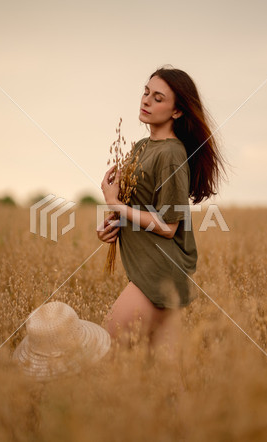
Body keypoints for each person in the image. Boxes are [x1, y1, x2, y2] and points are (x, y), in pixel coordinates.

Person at [97, 66, 226, 361]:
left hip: (159, 273)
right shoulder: (142, 147)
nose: (146, 101)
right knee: (162, 379)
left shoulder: (171, 154)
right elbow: (135, 207)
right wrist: (110, 226)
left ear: (177, 112)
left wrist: (115, 204)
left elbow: (168, 226)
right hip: (151, 269)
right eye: (146, 92)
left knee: (108, 353)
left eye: (158, 98)